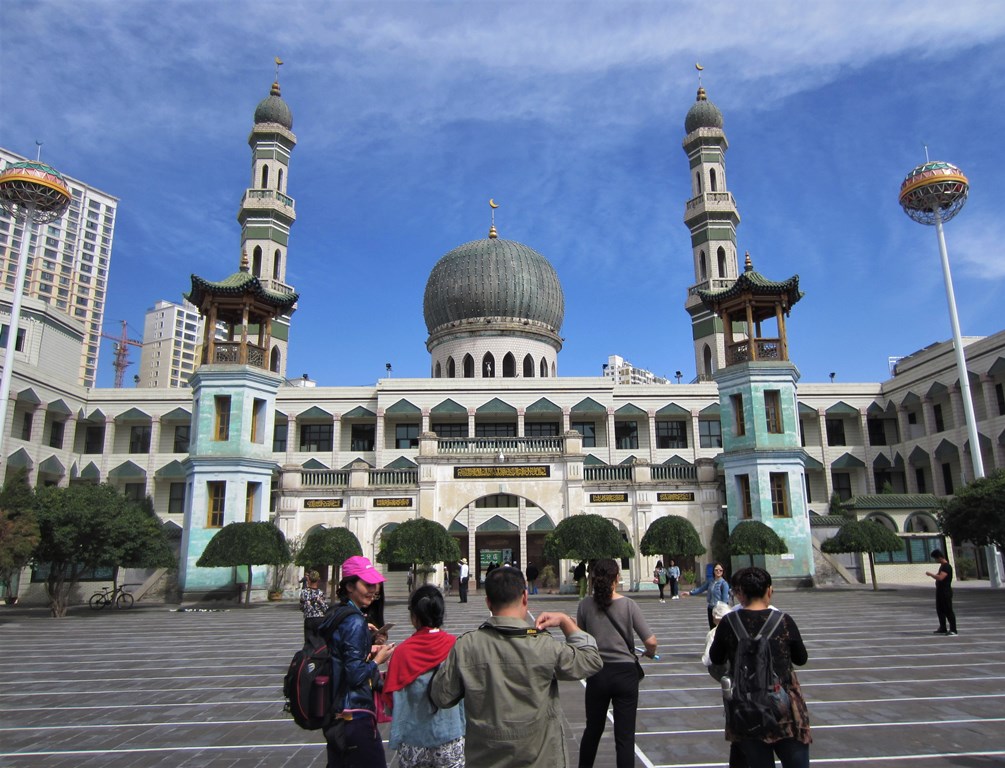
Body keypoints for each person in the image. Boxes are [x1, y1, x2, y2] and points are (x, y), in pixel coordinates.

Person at [430, 565, 603, 767]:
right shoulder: (543, 645)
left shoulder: (466, 646)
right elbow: (591, 660)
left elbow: (441, 696)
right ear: (524, 597)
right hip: (540, 760)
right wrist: (566, 622)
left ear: (488, 602)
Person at [709, 567, 811, 768]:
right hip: (784, 704)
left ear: (741, 594)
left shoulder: (729, 622)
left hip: (747, 706)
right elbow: (801, 658)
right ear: (769, 591)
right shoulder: (783, 620)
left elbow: (715, 658)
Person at [576, 558, 658, 768]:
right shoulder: (628, 605)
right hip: (625, 674)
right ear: (616, 578)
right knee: (625, 737)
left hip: (597, 673)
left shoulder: (585, 605)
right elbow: (650, 641)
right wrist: (649, 652)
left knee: (593, 730)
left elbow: (581, 641)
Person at [324, 555, 396, 768]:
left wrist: (368, 643)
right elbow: (355, 675)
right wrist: (378, 660)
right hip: (353, 714)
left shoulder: (337, 614)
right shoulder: (354, 622)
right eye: (367, 584)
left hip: (337, 711)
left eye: (374, 584)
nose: (373, 589)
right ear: (349, 586)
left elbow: (343, 657)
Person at [384, 585, 465, 768]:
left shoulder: (402, 652)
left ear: (414, 617)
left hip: (414, 741)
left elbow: (391, 702)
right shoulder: (456, 646)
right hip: (450, 737)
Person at [685, 562, 731, 628]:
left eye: (720, 570)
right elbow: (701, 589)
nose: (718, 571)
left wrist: (721, 612)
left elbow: (724, 601)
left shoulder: (724, 584)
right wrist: (690, 593)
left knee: (719, 630)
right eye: (716, 569)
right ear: (713, 571)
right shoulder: (710, 581)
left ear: (723, 571)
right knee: (712, 629)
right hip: (710, 608)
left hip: (719, 610)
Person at [926, 549, 958, 635]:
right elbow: (938, 576)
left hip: (945, 592)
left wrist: (931, 574)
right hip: (940, 591)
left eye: (936, 559)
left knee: (948, 610)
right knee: (940, 610)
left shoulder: (947, 566)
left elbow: (940, 577)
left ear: (939, 557)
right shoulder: (942, 566)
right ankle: (943, 627)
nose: (935, 561)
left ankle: (953, 630)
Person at [299, 569, 329, 642]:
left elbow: (302, 607)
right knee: (320, 643)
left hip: (309, 619)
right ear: (318, 579)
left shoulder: (304, 592)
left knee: (308, 643)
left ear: (309, 579)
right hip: (320, 619)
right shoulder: (320, 593)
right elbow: (325, 608)